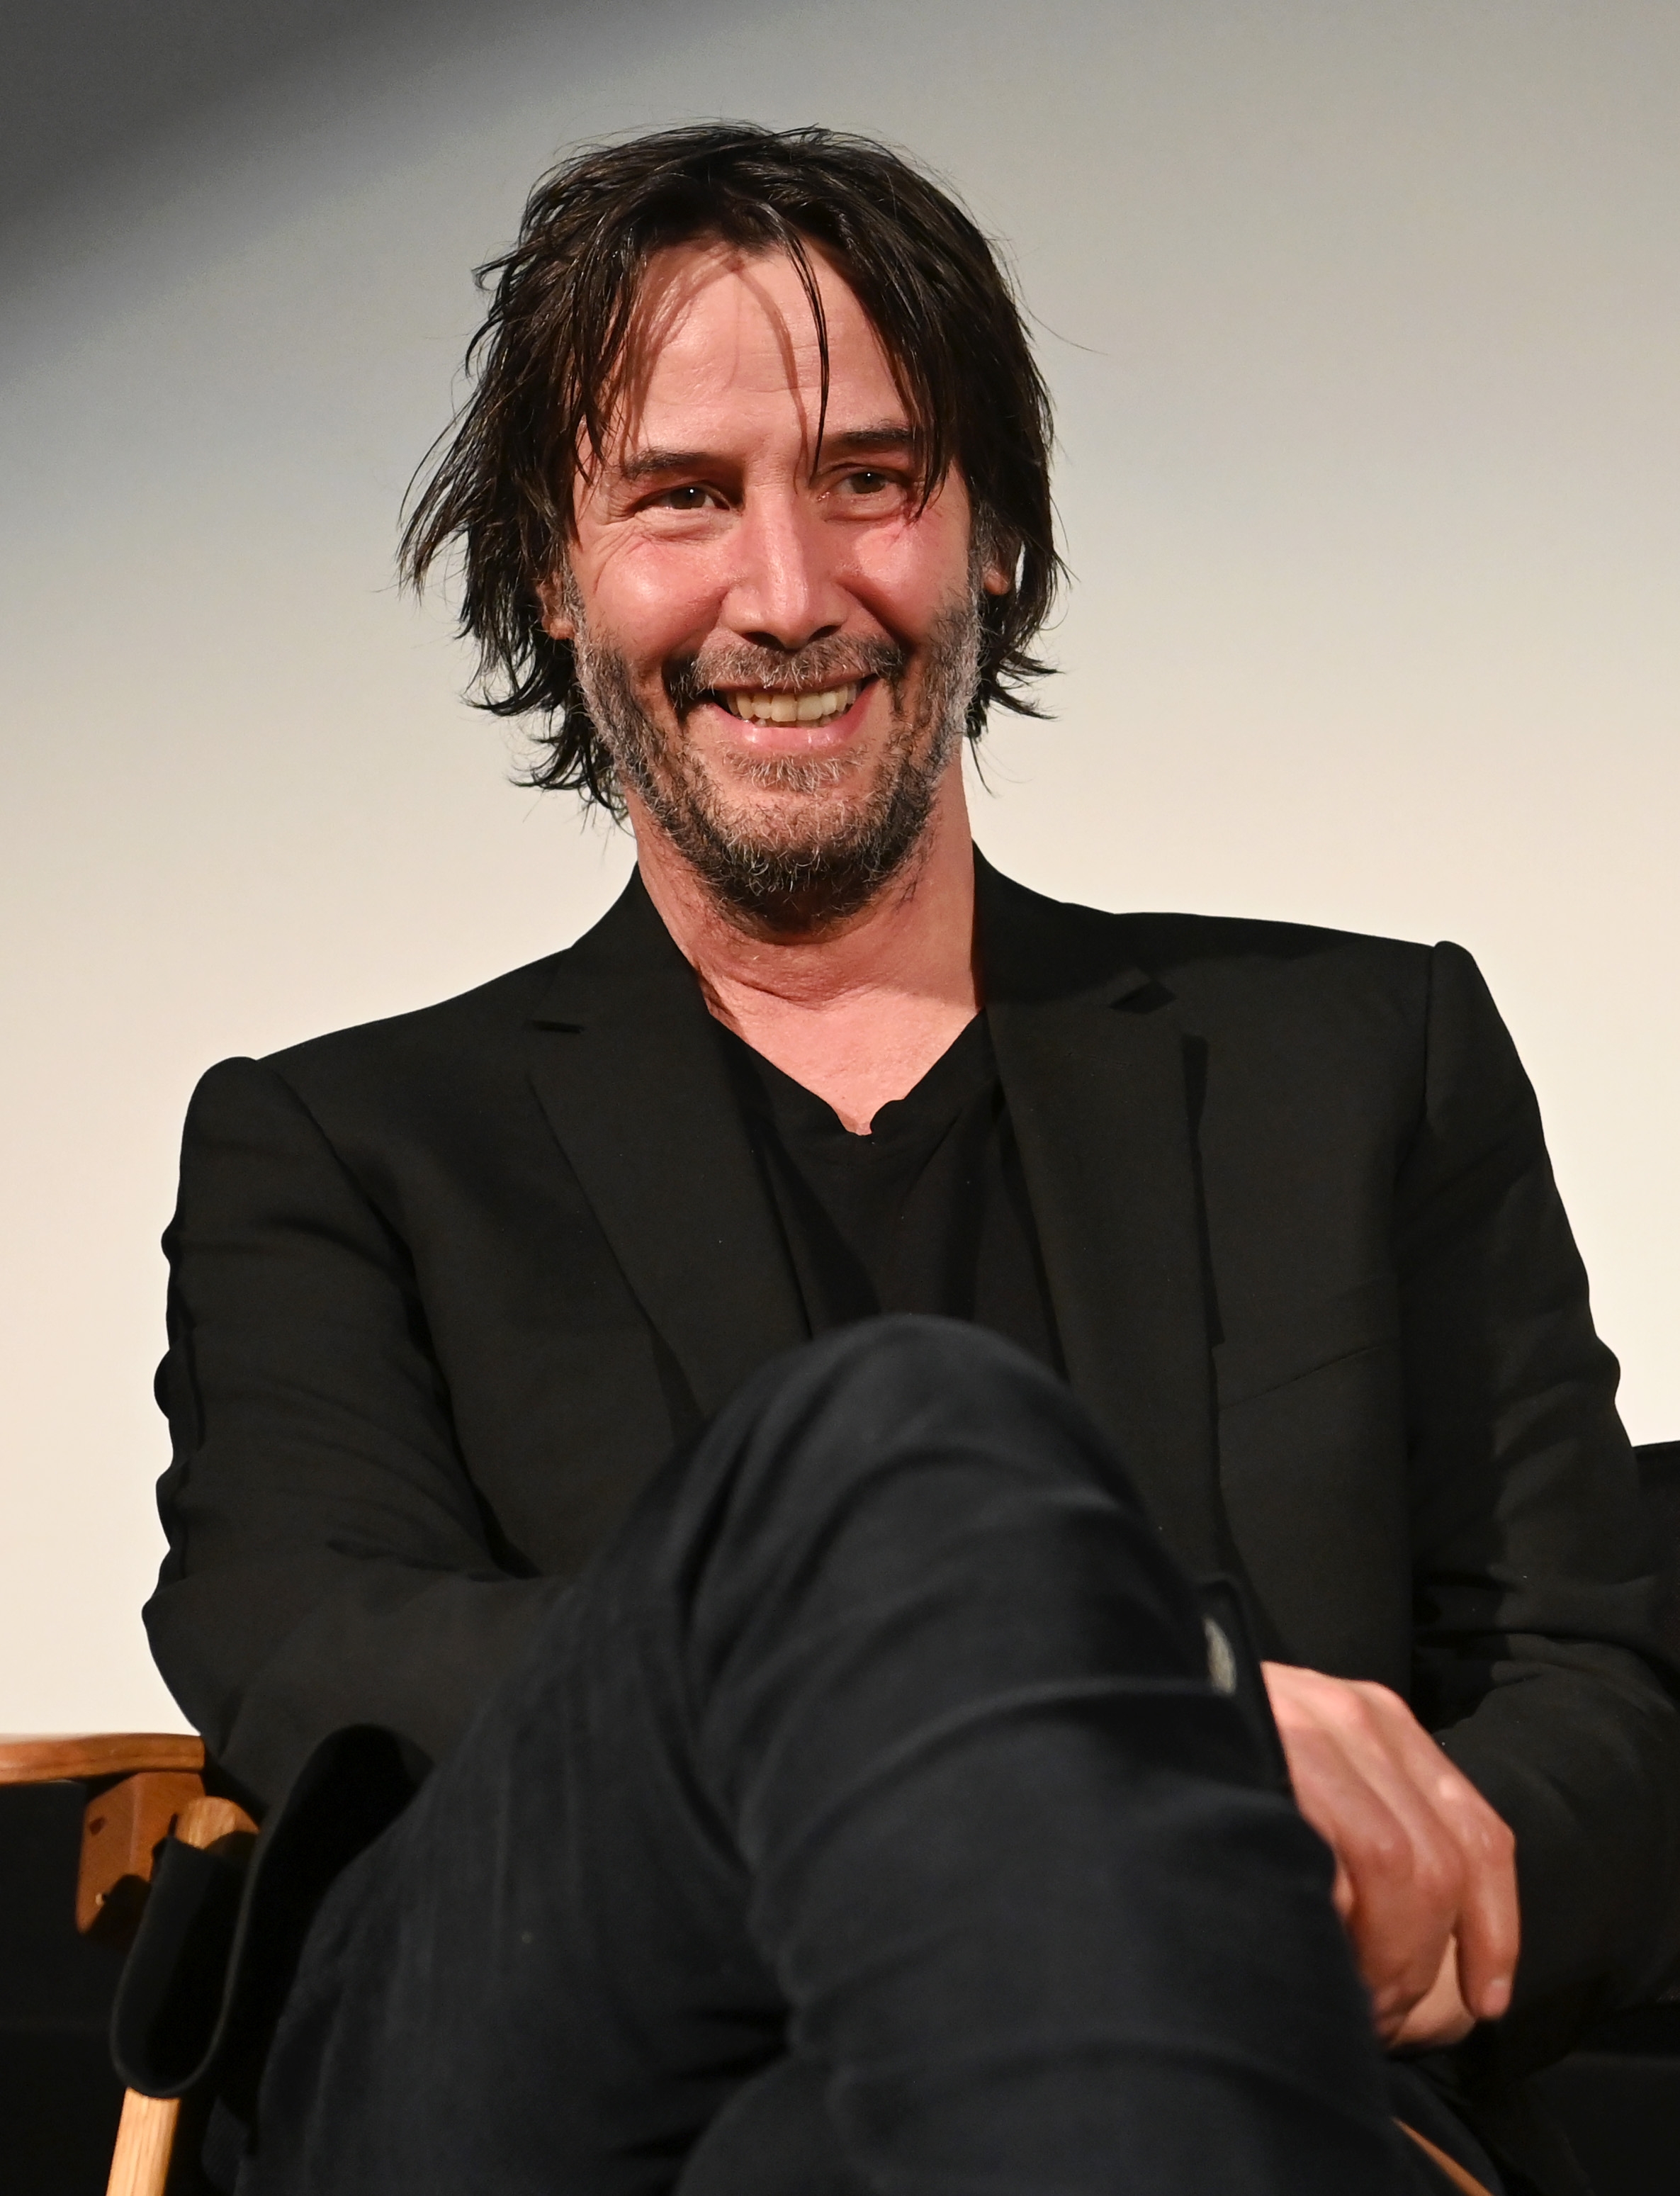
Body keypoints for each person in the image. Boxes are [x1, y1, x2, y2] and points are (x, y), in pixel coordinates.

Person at [132, 125, 1680, 2195]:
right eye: (683, 497)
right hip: (556, 2102)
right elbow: (304, 1640)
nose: (788, 594)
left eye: (870, 480)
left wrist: (1320, 1903)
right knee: (888, 1445)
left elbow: (1592, 1680)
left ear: (992, 542)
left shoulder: (1361, 1058)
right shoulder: (339, 1147)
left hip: (1243, 2071)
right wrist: (1163, 1732)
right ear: (549, 569)